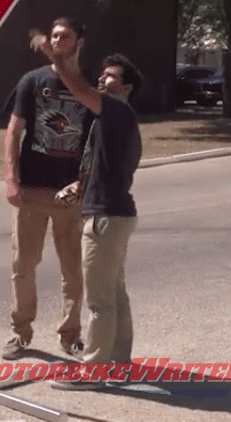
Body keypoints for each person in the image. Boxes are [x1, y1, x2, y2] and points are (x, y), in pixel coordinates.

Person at [31, 34, 143, 391]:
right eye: (103, 74)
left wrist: (57, 56)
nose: (102, 79)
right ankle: (119, 363)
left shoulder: (116, 110)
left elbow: (77, 85)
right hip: (117, 214)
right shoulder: (115, 121)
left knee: (99, 301)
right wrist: (78, 188)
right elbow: (106, 168)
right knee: (115, 293)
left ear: (125, 87)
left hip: (107, 218)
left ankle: (94, 371)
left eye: (110, 76)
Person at [1, 18, 94, 361]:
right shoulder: (32, 81)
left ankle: (70, 334)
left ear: (78, 41)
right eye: (53, 36)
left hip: (72, 193)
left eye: (65, 36)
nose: (57, 41)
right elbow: (13, 132)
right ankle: (20, 332)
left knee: (73, 267)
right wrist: (10, 177)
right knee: (23, 264)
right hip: (32, 189)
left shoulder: (88, 87)